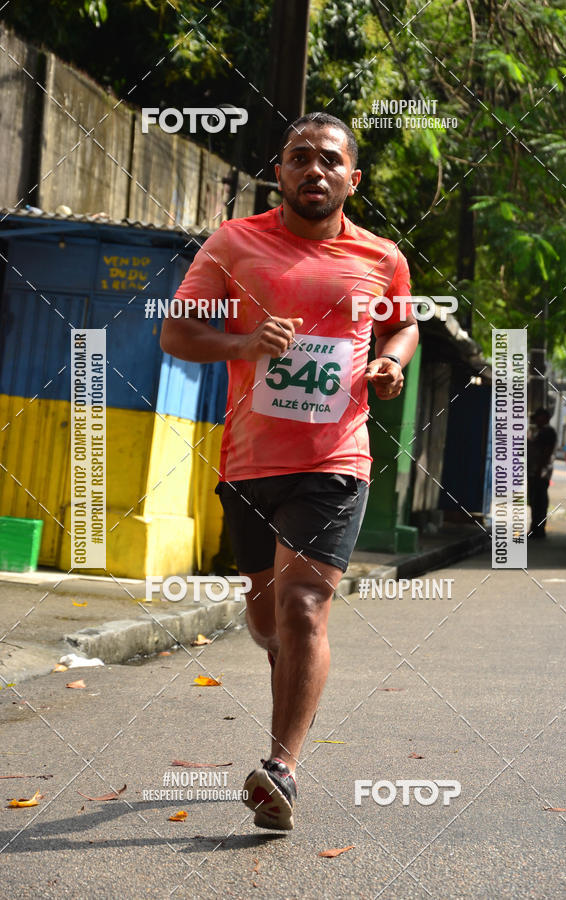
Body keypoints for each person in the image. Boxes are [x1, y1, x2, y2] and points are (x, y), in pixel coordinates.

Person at [160, 111, 419, 830]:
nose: (315, 170)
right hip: (250, 463)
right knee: (269, 617)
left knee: (305, 605)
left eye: (330, 160)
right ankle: (281, 663)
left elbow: (404, 321)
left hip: (337, 460)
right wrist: (245, 341)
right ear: (279, 172)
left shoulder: (380, 257)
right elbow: (177, 331)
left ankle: (282, 771)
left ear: (352, 178)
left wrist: (391, 362)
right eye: (300, 158)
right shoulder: (235, 244)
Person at [527, 408, 557, 539]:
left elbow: (546, 452)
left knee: (538, 501)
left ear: (545, 418)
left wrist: (539, 469)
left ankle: (537, 530)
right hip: (538, 470)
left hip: (540, 472)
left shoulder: (547, 432)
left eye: (538, 417)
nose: (536, 420)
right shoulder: (542, 431)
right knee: (536, 501)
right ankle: (536, 528)